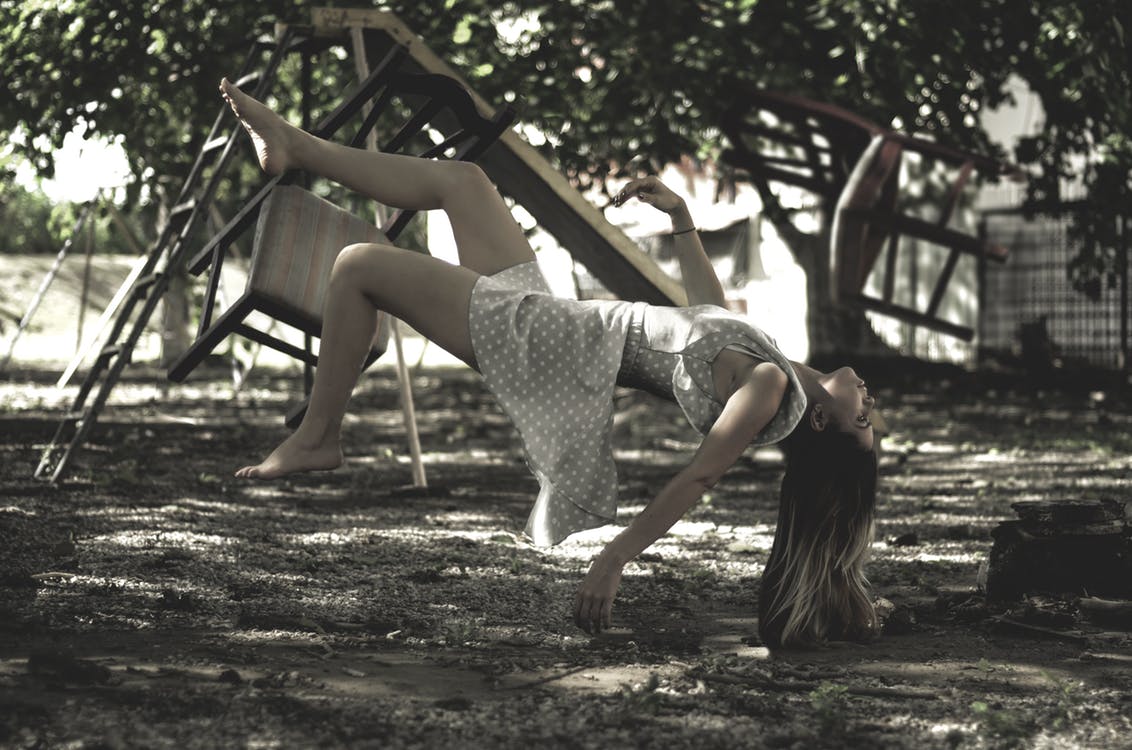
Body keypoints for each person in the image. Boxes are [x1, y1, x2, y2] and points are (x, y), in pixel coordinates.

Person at [219, 77, 879, 648]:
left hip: (547, 345)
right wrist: (681, 219)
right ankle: (299, 147)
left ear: (822, 423)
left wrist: (617, 557)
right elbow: (706, 313)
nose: (870, 404)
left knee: (358, 266)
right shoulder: (774, 366)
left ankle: (319, 437)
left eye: (864, 420)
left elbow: (697, 479)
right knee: (464, 180)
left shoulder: (766, 390)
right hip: (561, 322)